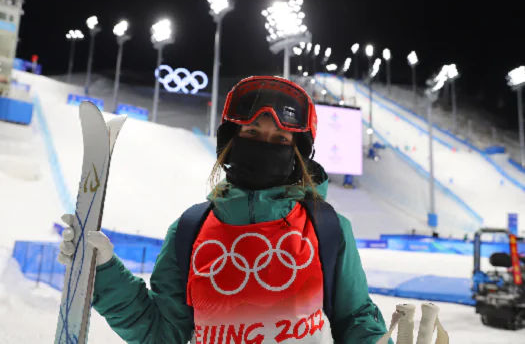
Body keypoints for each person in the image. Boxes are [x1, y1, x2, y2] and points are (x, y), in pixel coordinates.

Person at [58, 76, 392, 344]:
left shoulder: (327, 228)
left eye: (280, 140)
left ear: (298, 154)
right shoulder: (190, 229)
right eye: (252, 133)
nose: (264, 144)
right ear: (231, 141)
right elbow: (162, 334)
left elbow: (356, 319)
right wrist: (102, 273)